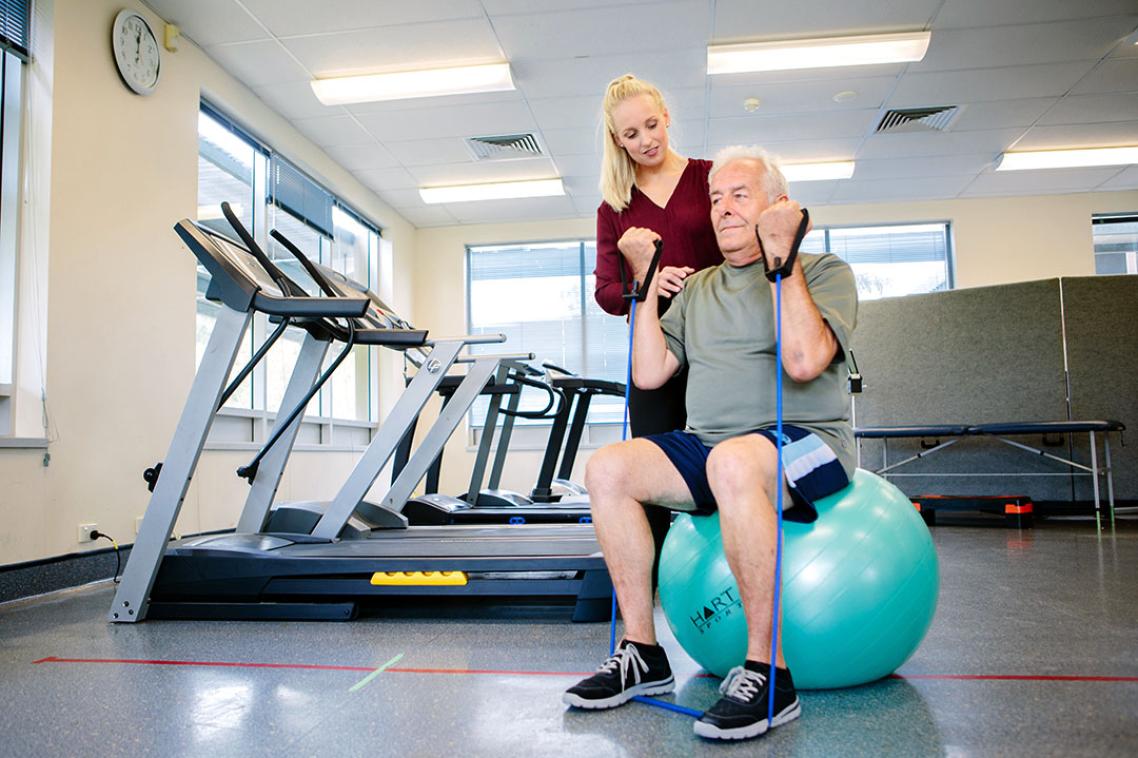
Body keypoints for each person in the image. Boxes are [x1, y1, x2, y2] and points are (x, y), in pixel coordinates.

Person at [564, 146, 858, 742]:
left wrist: (786, 259)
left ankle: (767, 672)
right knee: (609, 469)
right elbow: (649, 372)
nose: (722, 208)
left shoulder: (825, 270)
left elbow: (804, 361)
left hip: (805, 442)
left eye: (739, 196)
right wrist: (644, 284)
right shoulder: (697, 290)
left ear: (777, 204)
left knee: (731, 461)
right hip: (713, 447)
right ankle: (642, 651)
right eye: (715, 197)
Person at [594, 74, 722, 581]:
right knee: (647, 473)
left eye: (651, 125)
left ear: (666, 115)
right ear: (616, 140)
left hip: (717, 346)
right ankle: (652, 593)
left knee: (722, 465)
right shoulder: (615, 207)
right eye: (631, 134)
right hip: (656, 352)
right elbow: (607, 293)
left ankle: (725, 576)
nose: (646, 140)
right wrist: (645, 282)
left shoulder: (709, 177)